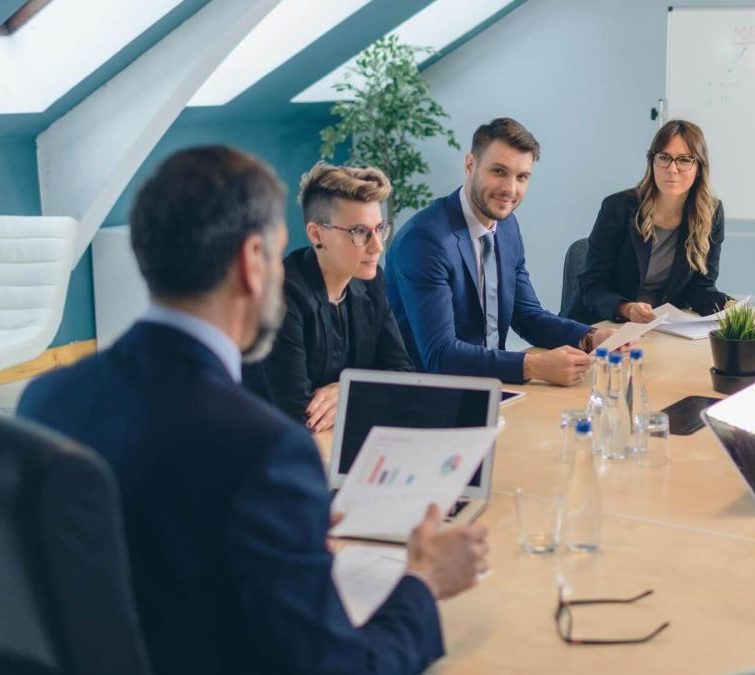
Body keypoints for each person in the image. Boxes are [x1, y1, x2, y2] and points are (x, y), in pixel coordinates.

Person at [17, 147, 489, 675]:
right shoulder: (268, 453)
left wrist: (284, 538)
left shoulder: (45, 398)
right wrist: (422, 582)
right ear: (251, 262)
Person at [385, 117, 614, 386]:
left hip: (492, 385)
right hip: (431, 395)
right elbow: (440, 355)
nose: (510, 189)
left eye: (522, 177)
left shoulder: (505, 227)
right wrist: (533, 366)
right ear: (470, 165)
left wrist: (589, 336)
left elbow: (527, 315)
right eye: (499, 172)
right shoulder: (426, 239)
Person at [243, 162, 413, 432]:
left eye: (380, 229)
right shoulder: (279, 296)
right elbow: (300, 414)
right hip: (267, 448)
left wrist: (349, 390)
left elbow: (404, 374)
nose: (378, 246)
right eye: (359, 232)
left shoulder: (371, 283)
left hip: (342, 438)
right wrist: (365, 392)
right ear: (316, 234)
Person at [566, 119, 734, 325]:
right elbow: (592, 285)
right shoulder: (618, 208)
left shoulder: (710, 213)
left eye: (684, 160)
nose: (672, 169)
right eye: (664, 158)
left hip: (659, 328)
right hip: (601, 325)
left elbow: (700, 289)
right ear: (652, 162)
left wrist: (728, 306)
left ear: (698, 167)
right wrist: (625, 308)